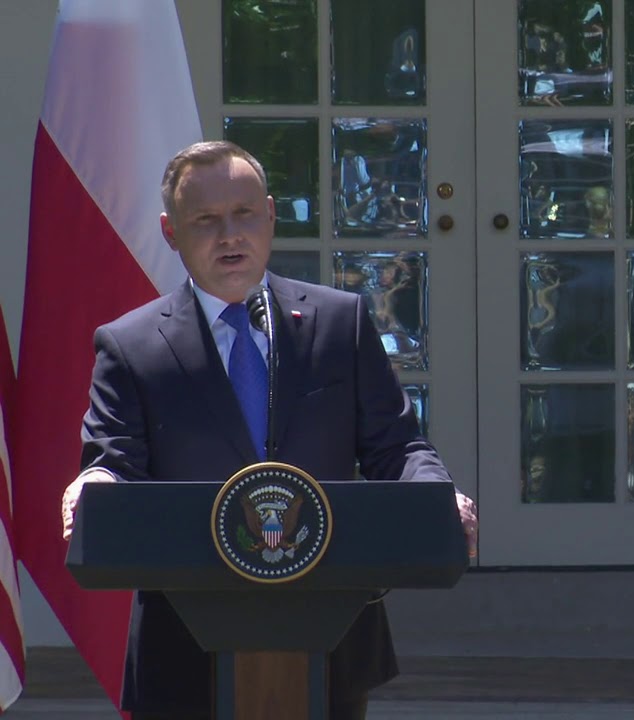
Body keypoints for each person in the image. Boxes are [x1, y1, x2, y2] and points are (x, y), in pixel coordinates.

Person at [59, 140, 479, 720]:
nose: (229, 235)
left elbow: (398, 447)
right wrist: (96, 484)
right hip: (183, 648)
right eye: (205, 220)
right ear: (171, 230)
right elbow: (114, 460)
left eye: (244, 214)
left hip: (329, 632)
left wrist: (436, 496)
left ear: (272, 215)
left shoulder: (339, 322)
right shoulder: (131, 347)